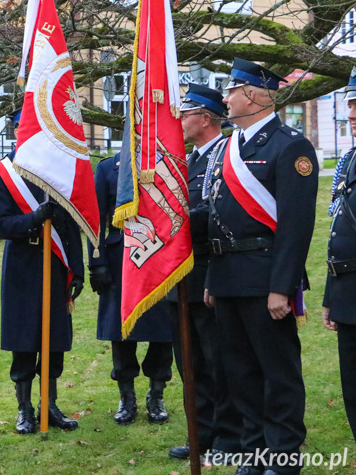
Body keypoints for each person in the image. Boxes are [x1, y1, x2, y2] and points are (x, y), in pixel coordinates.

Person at [205, 58, 317, 475]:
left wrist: (281, 286)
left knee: (278, 374)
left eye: (231, 90)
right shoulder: (227, 147)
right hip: (229, 276)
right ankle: (254, 453)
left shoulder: (290, 146)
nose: (226, 97)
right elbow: (217, 212)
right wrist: (213, 279)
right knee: (240, 373)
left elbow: (296, 225)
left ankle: (283, 456)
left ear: (252, 94)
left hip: (265, 276)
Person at [0, 108, 84, 435]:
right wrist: (34, 219)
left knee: (54, 339)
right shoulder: (2, 173)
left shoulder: (58, 169)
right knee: (25, 339)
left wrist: (78, 269)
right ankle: (25, 409)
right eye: (22, 128)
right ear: (15, 131)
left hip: (56, 265)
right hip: (23, 266)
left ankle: (50, 405)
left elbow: (71, 224)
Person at [165, 84, 241, 462]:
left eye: (185, 112)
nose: (178, 119)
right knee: (190, 362)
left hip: (211, 270)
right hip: (183, 276)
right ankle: (202, 434)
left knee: (218, 359)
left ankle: (228, 437)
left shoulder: (227, 154)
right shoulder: (190, 160)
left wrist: (174, 221)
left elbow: (219, 211)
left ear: (206, 118)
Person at [88, 152, 173, 426]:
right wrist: (97, 262)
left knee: (163, 329)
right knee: (121, 329)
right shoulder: (108, 168)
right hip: (119, 258)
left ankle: (156, 394)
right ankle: (126, 396)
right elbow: (95, 218)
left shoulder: (166, 162)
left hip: (159, 255)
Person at [325, 67, 356, 443]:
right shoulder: (348, 161)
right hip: (348, 291)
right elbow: (338, 232)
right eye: (350, 103)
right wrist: (331, 298)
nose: (351, 113)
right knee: (352, 387)